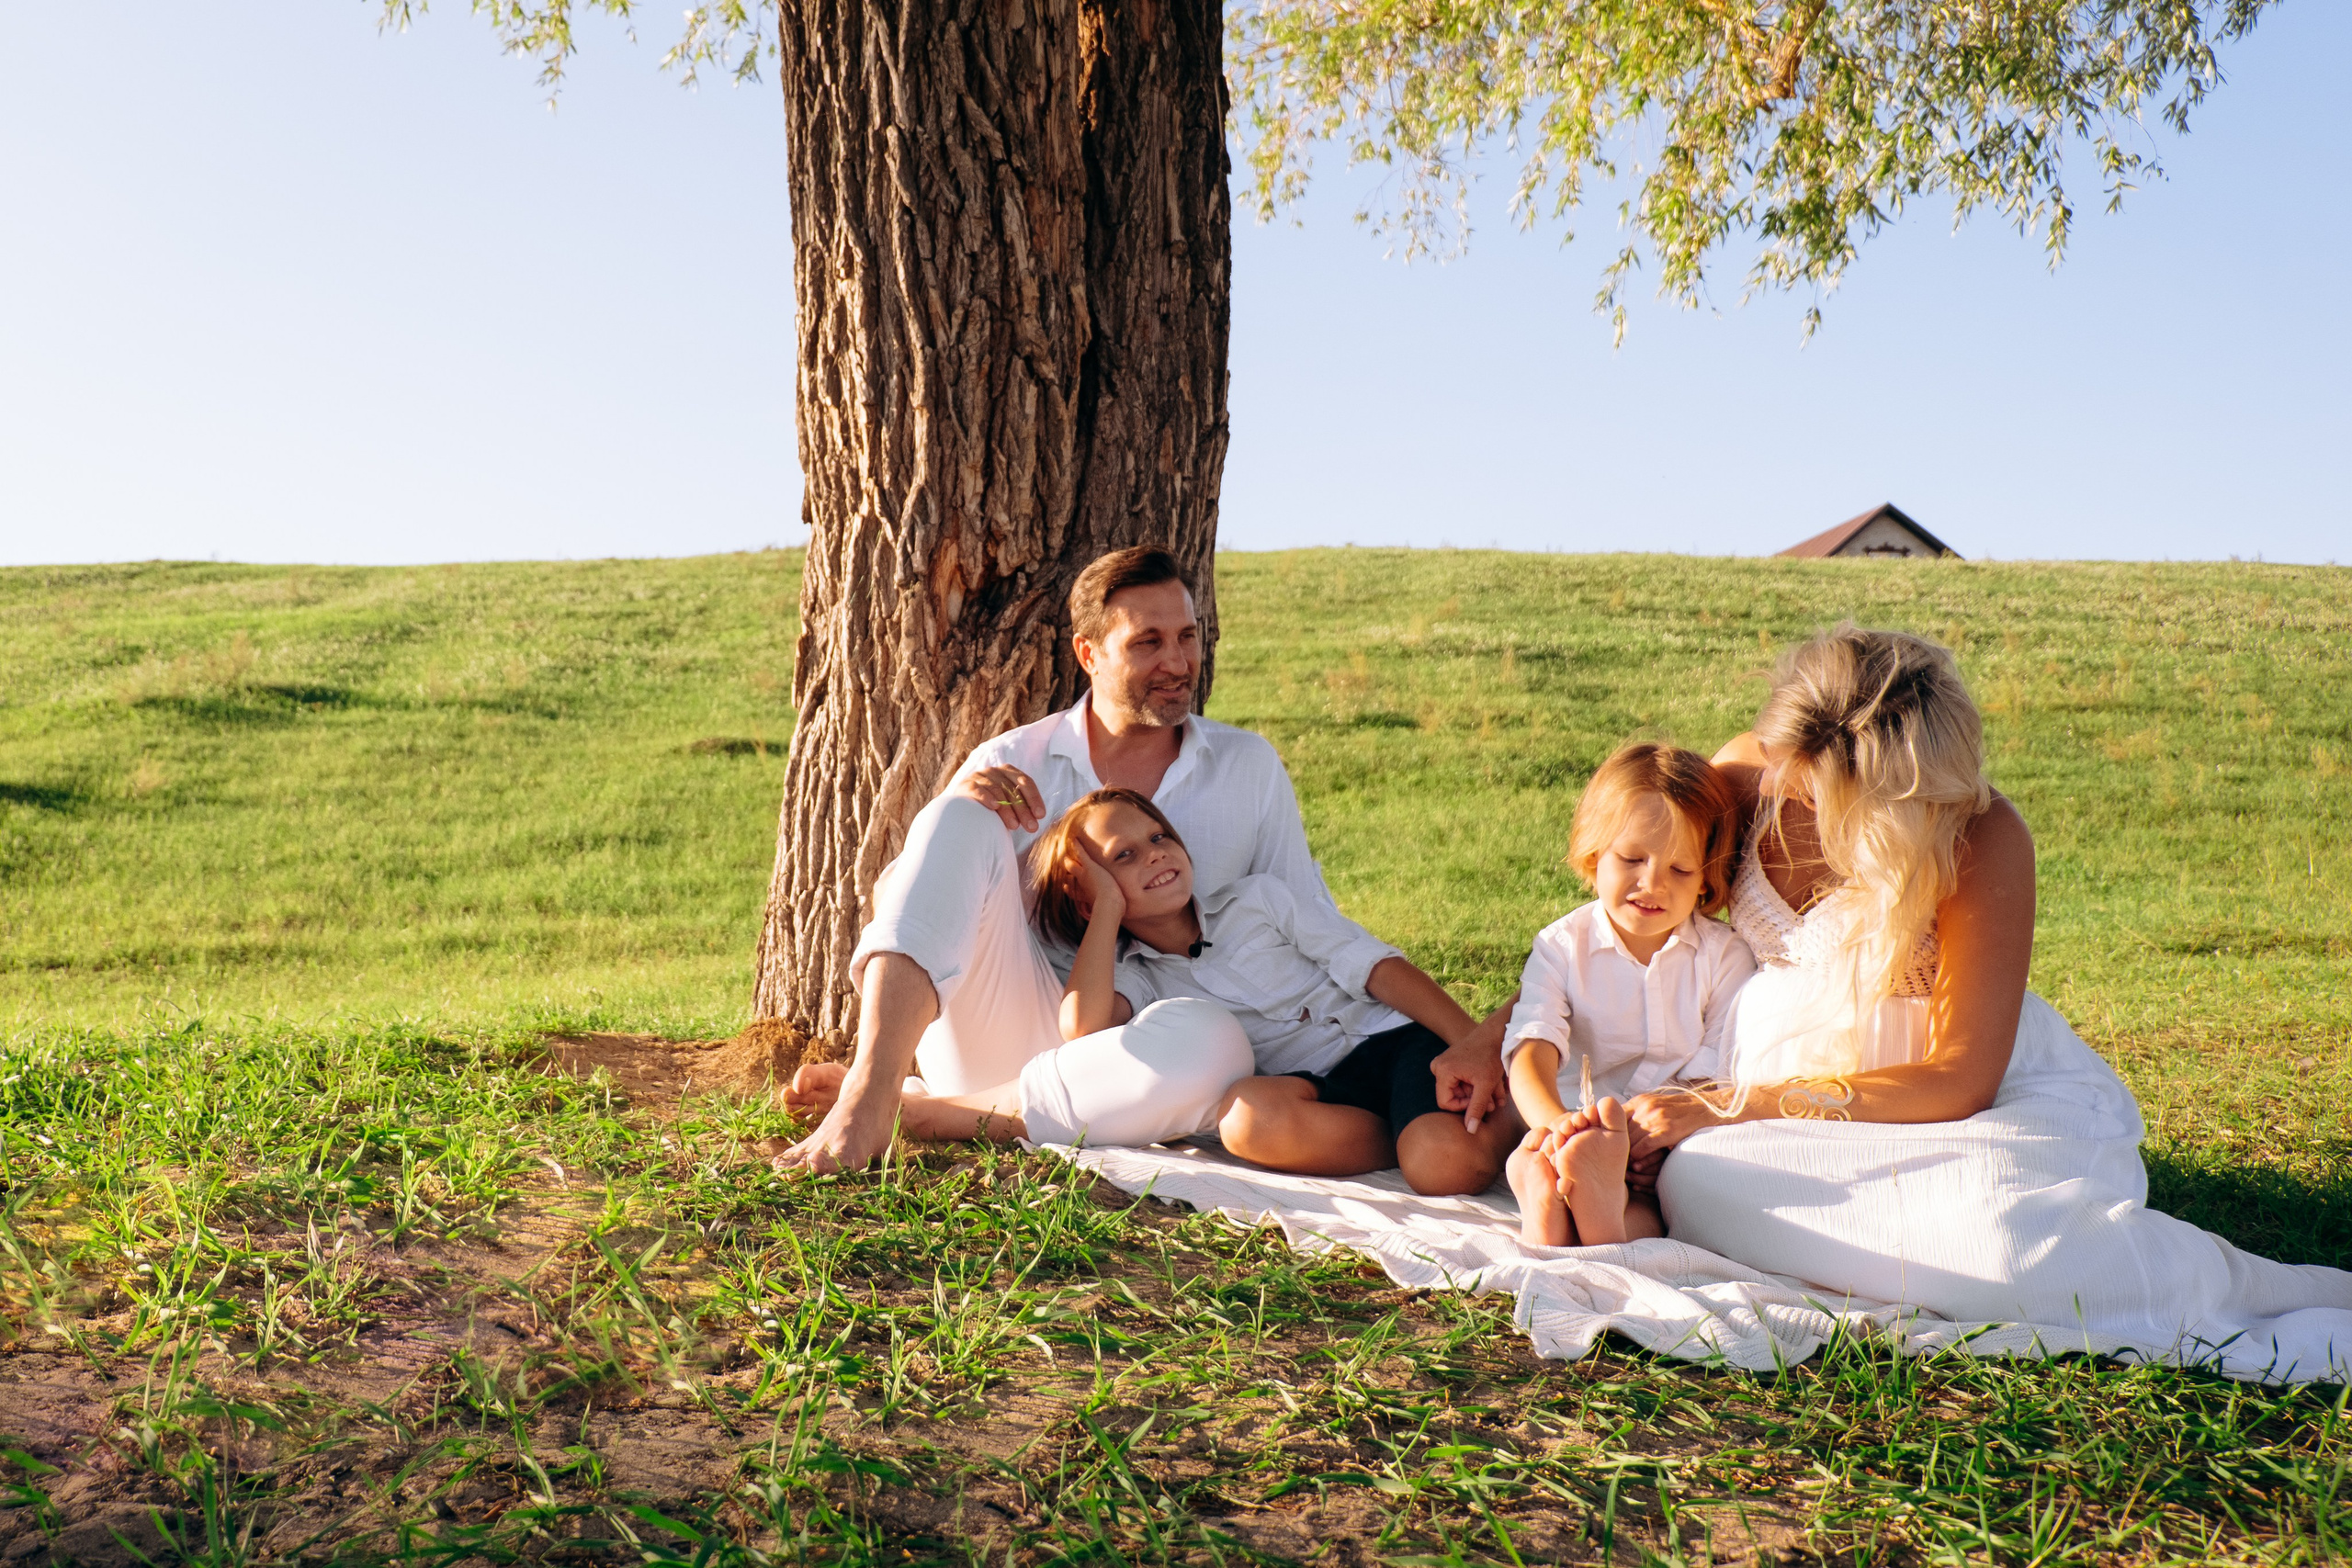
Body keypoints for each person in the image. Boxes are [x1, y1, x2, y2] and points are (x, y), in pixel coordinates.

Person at [1622, 626, 2350, 1368]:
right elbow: (1624, 917)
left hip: (1958, 1105)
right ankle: (1925, 1261)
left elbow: (1960, 1077)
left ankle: (2246, 1285)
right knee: (1699, 1183)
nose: (1778, 787)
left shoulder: (1980, 834)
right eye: (1779, 761)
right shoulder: (1754, 768)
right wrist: (1506, 1031)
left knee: (2007, 1250)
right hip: (1773, 1097)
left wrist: (1735, 1104)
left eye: (1813, 788)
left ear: (1893, 793)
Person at [775, 546, 1510, 1172]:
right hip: (1027, 1025)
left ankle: (935, 1115)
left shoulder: (1246, 767)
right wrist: (966, 802)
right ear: (1089, 653)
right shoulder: (1018, 761)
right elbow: (924, 891)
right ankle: (872, 1094)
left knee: (1211, 1034)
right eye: (1148, 643)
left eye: (1187, 637)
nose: (1178, 662)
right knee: (956, 816)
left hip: (1139, 1058)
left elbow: (1315, 929)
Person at [1006, 788, 1517, 1191]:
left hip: (1401, 1045)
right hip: (1326, 1097)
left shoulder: (1259, 899)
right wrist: (1107, 911)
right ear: (1090, 896)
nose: (1155, 856)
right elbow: (1084, 1028)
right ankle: (1410, 1139)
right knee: (1244, 1122)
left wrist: (1473, 1044)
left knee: (1445, 1170)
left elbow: (1376, 969)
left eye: (1159, 837)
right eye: (1124, 856)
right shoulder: (1141, 978)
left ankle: (1500, 1102)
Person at [1498, 743, 1753, 1247]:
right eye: (1632, 858)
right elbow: (1532, 1047)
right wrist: (1559, 1128)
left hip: (1666, 1144)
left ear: (1706, 877)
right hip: (1575, 1130)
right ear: (1594, 855)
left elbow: (1719, 1068)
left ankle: (1570, 1214)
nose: (1652, 883)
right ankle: (1555, 1191)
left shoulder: (1725, 957)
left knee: (1659, 1215)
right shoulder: (1562, 946)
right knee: (1613, 1194)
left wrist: (1654, 1140)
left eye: (1680, 869)